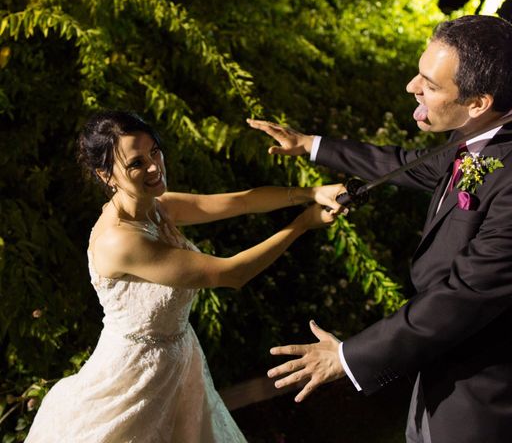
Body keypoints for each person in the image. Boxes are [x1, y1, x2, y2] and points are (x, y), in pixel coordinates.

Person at [247, 15, 512, 443]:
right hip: (437, 368)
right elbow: (407, 164)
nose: (411, 86)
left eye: (430, 82)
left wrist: (349, 357)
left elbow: (464, 297)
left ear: (478, 101)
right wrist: (312, 145)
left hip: (487, 395)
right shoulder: (484, 137)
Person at [26, 110, 345, 442]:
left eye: (155, 151)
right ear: (106, 176)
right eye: (136, 163)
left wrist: (312, 192)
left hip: (179, 364)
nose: (153, 166)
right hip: (132, 378)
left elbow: (239, 202)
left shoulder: (155, 206)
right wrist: (303, 224)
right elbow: (231, 274)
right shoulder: (119, 240)